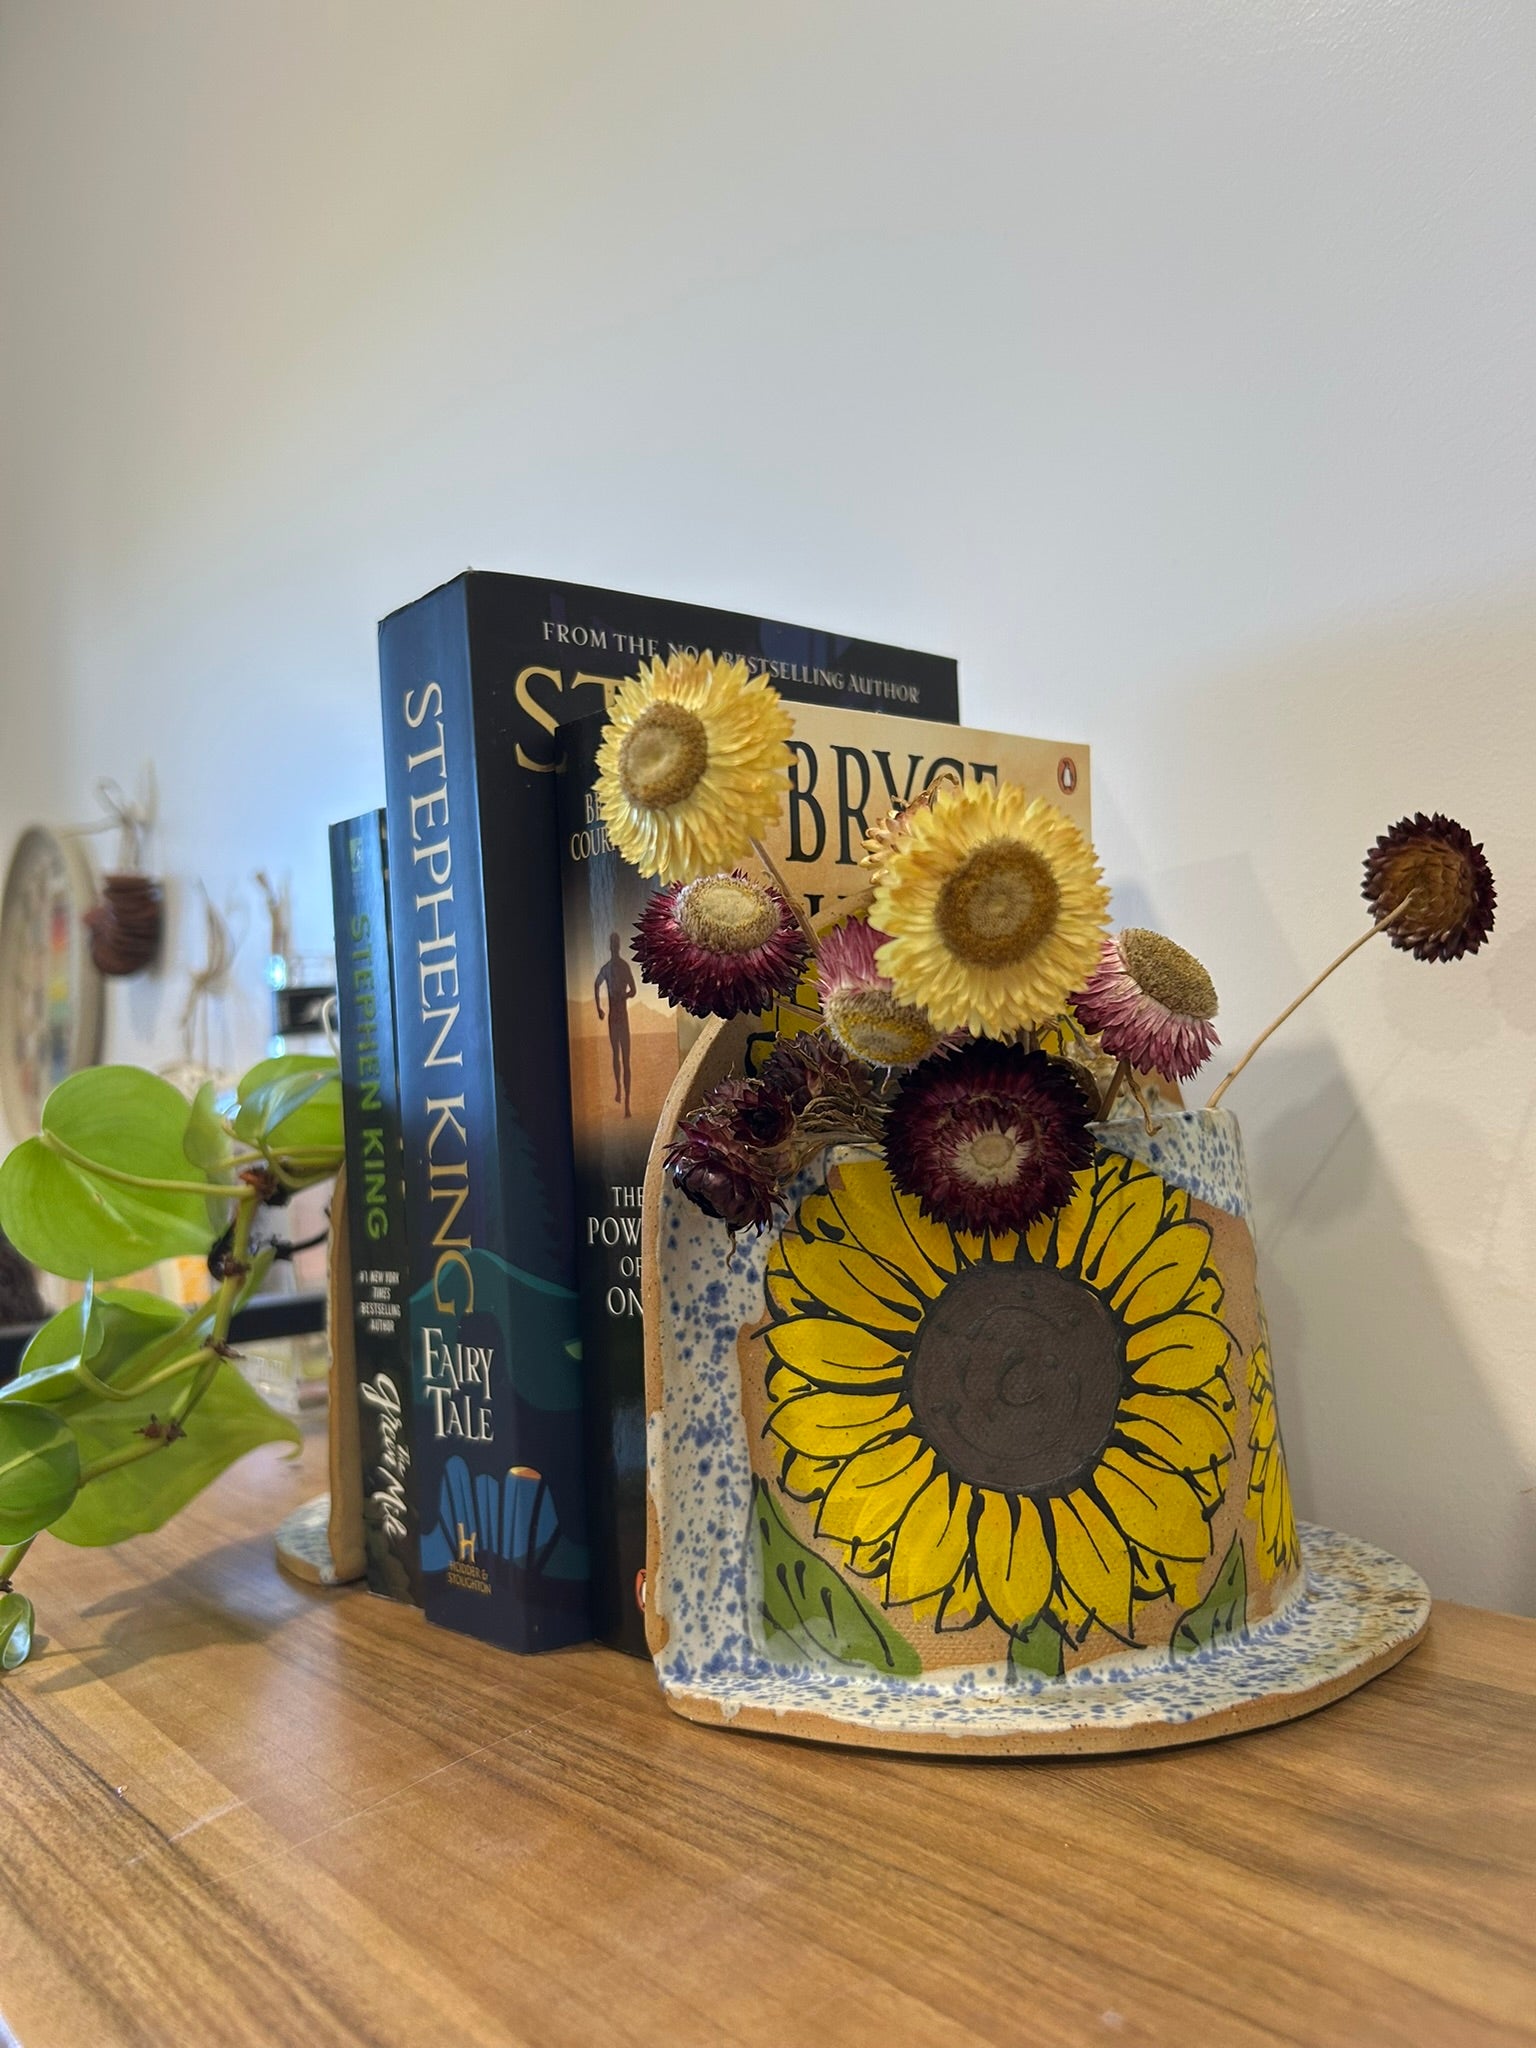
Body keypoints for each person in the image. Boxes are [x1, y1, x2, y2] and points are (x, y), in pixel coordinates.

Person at [594, 930, 636, 1117]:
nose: (614, 946)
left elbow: (633, 990)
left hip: (622, 1017)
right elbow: (596, 985)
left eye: (615, 943)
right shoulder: (607, 968)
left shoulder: (623, 967)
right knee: (615, 1056)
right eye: (612, 943)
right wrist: (599, 1009)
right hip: (613, 1019)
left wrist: (623, 995)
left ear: (617, 946)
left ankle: (627, 1102)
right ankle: (618, 1088)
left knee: (625, 1059)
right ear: (611, 946)